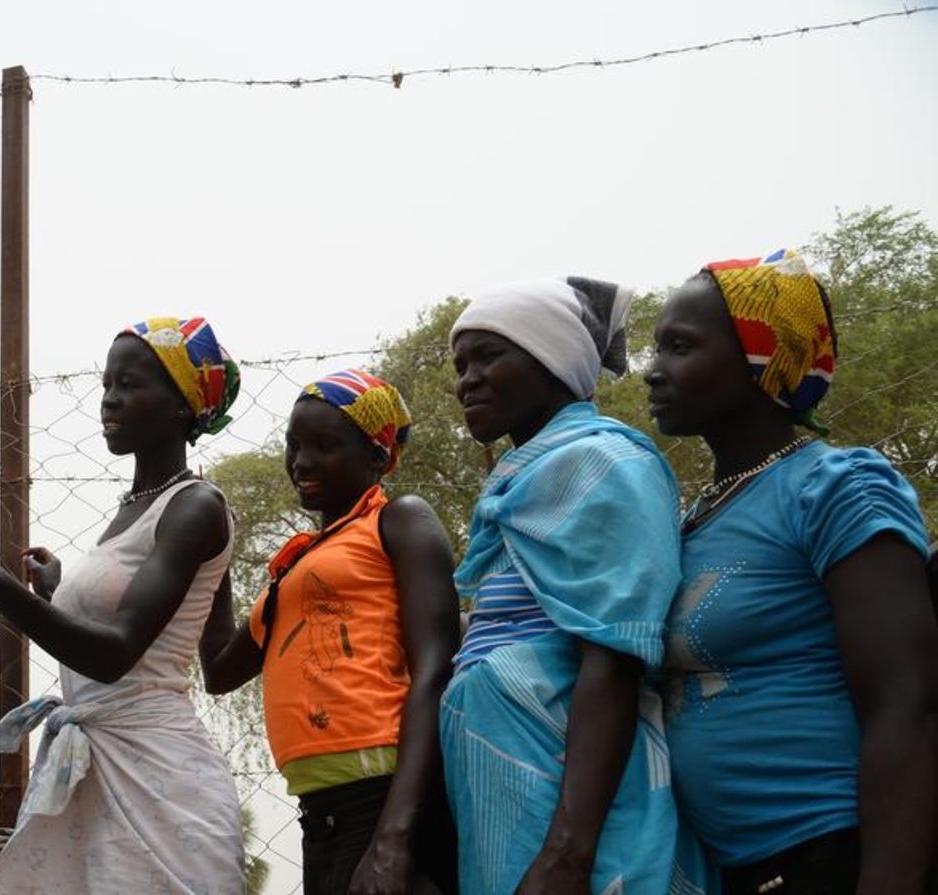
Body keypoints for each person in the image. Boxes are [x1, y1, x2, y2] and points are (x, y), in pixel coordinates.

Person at [0, 316, 245, 894]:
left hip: (158, 779)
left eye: (132, 385)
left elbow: (117, 655)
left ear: (186, 405)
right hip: (103, 767)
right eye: (107, 384)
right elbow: (136, 623)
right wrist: (58, 590)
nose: (110, 400)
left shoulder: (196, 507)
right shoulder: (136, 509)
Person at [648, 250, 936, 894]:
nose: (653, 370)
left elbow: (906, 703)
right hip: (730, 868)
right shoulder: (698, 513)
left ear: (758, 359)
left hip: (830, 853)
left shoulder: (835, 488)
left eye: (679, 347)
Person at [442, 279, 708, 894]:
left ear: (554, 360)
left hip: (569, 791)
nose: (467, 381)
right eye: (461, 366)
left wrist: (568, 851)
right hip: (511, 780)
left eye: (489, 357)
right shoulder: (531, 478)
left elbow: (614, 656)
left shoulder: (606, 467)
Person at [201, 369, 459, 895]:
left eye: (324, 446)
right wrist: (214, 555)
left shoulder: (398, 522)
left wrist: (394, 837)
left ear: (377, 458)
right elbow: (220, 671)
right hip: (322, 814)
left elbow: (436, 667)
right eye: (294, 446)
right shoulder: (293, 570)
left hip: (386, 798)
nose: (301, 462)